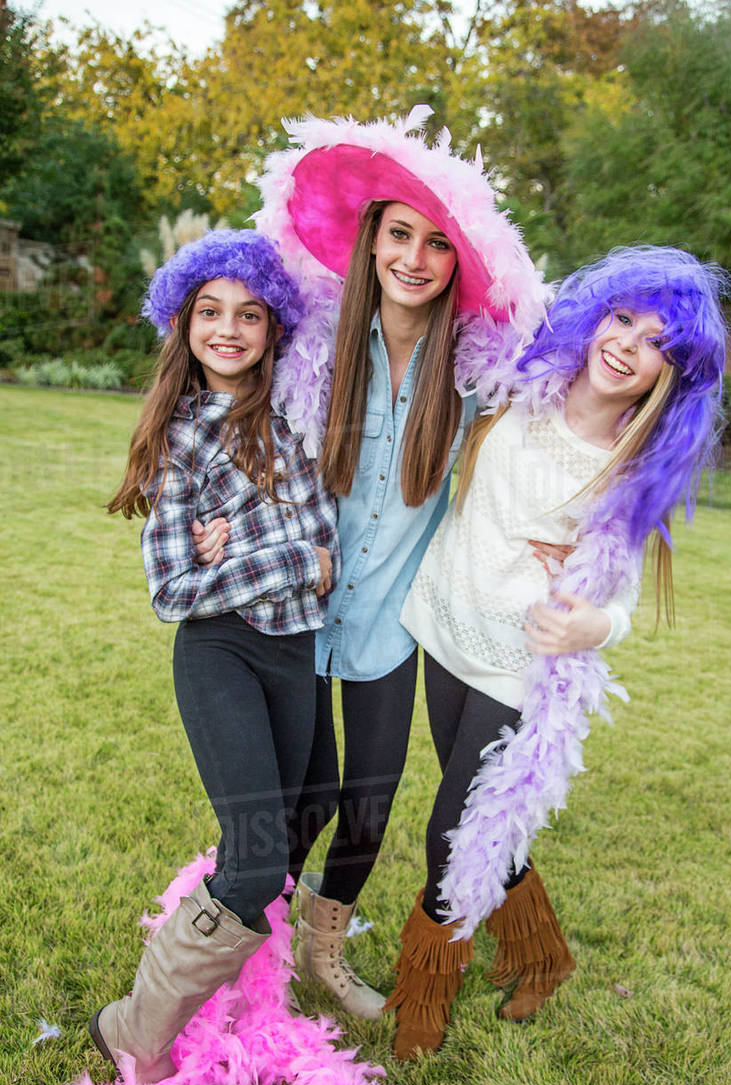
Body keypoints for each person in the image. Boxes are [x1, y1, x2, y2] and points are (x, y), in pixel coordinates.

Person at [192, 108, 551, 1020]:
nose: (415, 258)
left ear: (456, 266)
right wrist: (207, 516)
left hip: (393, 624)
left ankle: (326, 949)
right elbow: (222, 396)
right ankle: (246, 945)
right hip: (292, 615)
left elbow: (557, 433)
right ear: (371, 240)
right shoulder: (312, 343)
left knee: (370, 802)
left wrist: (580, 530)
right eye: (400, 234)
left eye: (437, 244)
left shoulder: (474, 372)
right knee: (288, 807)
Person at [386, 244, 731, 1060]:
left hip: (520, 660)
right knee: (484, 818)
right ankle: (544, 955)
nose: (628, 344)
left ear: (667, 375)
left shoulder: (631, 467)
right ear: (592, 318)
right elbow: (461, 306)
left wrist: (591, 627)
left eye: (657, 342)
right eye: (621, 319)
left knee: (454, 830)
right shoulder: (519, 383)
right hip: (445, 621)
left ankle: (424, 992)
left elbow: (617, 605)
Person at [93, 229, 339, 1084]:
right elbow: (172, 590)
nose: (229, 328)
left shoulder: (296, 415)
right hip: (221, 656)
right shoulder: (182, 437)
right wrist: (290, 562)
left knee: (309, 813)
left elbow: (328, 532)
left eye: (250, 313)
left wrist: (232, 557)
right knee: (256, 854)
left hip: (294, 652)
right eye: (209, 311)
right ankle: (132, 1026)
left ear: (275, 329)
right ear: (183, 322)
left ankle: (245, 982)